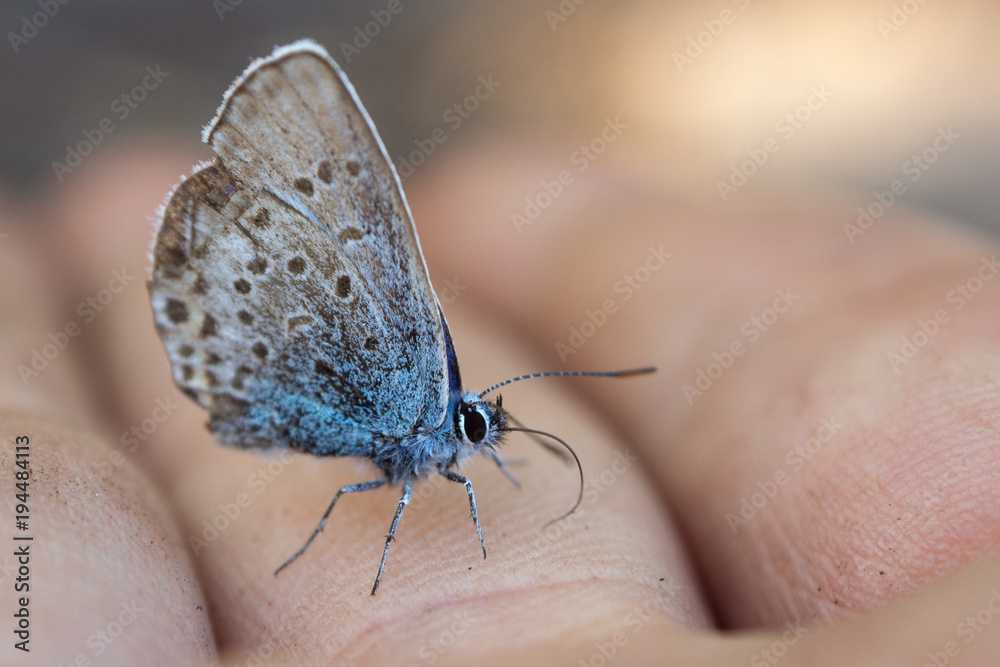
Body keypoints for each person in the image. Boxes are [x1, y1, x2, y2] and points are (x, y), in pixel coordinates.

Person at [3, 135, 1000, 666]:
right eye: (482, 426)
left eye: (483, 426)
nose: (485, 431)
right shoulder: (422, 410)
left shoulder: (446, 431)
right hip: (284, 361)